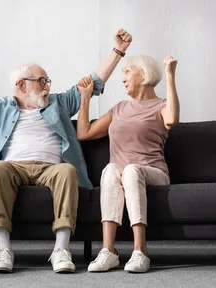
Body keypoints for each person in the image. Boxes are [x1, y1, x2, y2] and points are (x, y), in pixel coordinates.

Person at [0, 29, 133, 273]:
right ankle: (3, 249)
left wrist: (118, 51)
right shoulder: (0, 108)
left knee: (68, 171)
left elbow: (94, 81)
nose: (47, 86)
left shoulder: (58, 103)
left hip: (52, 168)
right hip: (13, 167)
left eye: (48, 81)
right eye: (42, 81)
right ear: (21, 85)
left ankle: (61, 249)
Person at [76, 54, 179, 273]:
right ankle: (108, 251)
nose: (123, 79)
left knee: (131, 170)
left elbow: (171, 120)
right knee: (111, 169)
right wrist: (85, 97)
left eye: (127, 72)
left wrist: (170, 75)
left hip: (153, 173)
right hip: (122, 175)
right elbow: (84, 133)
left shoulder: (161, 106)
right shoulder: (119, 108)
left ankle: (140, 251)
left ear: (144, 74)